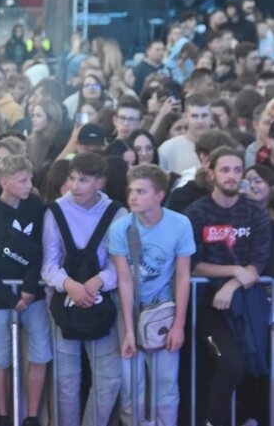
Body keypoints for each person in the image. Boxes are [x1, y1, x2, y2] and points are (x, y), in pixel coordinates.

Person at [185, 147, 272, 426]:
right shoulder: (196, 213)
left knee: (254, 365)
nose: (232, 176)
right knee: (231, 363)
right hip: (206, 306)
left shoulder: (255, 211)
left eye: (237, 170)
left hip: (246, 302)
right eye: (225, 170)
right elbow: (193, 263)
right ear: (211, 173)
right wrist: (235, 271)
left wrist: (232, 284)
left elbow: (257, 263)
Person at [41, 152, 127, 426]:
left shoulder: (117, 212)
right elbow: (49, 264)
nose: (75, 186)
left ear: (99, 182)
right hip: (65, 303)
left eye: (83, 180)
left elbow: (121, 265)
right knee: (66, 381)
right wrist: (70, 285)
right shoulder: (55, 210)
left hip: (102, 301)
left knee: (109, 378)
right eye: (73, 178)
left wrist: (98, 281)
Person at [0, 155, 52, 426]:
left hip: (32, 293)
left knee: (39, 352)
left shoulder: (36, 206)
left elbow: (43, 248)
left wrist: (27, 288)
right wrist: (9, 298)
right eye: (22, 180)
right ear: (4, 182)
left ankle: (31, 416)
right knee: (0, 356)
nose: (29, 185)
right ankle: (3, 415)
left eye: (30, 179)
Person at [109, 164, 195, 425]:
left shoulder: (180, 224)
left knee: (166, 385)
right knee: (130, 387)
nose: (132, 197)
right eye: (131, 190)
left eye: (141, 191)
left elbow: (183, 276)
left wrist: (178, 325)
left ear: (159, 195)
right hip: (129, 309)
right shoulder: (120, 228)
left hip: (163, 310)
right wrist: (128, 331)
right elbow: (123, 279)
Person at [158, 94, 211, 175]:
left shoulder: (222, 144)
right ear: (185, 117)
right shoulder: (168, 149)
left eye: (204, 115)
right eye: (194, 116)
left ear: (211, 117)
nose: (200, 121)